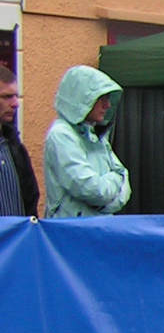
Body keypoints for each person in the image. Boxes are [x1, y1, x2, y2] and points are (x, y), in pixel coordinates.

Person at [44, 65, 129, 218]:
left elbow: (124, 177)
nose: (107, 105)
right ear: (81, 98)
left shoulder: (96, 136)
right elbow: (89, 188)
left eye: (108, 98)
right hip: (71, 234)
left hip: (99, 230)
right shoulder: (61, 135)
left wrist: (104, 204)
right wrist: (112, 185)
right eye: (101, 98)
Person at [0, 67, 38, 217]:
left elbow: (31, 199)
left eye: (16, 96)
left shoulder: (14, 146)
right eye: (7, 96)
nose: (16, 103)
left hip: (18, 238)